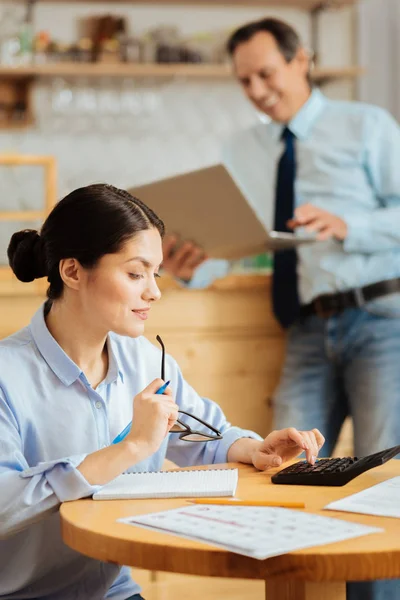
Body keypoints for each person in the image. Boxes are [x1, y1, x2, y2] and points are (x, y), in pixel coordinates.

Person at [161, 18, 400, 600]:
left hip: (381, 323)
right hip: (304, 329)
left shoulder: (366, 126)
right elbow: (244, 246)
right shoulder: (242, 149)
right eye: (245, 81)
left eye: (266, 74)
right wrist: (193, 265)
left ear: (303, 60)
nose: (258, 90)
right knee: (282, 470)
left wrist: (352, 225)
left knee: (383, 488)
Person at [0, 183, 324, 600]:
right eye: (136, 274)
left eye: (155, 273)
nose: (153, 291)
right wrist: (130, 448)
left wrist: (252, 447)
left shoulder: (145, 359)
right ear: (73, 271)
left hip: (113, 590)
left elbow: (203, 434)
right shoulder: (8, 374)